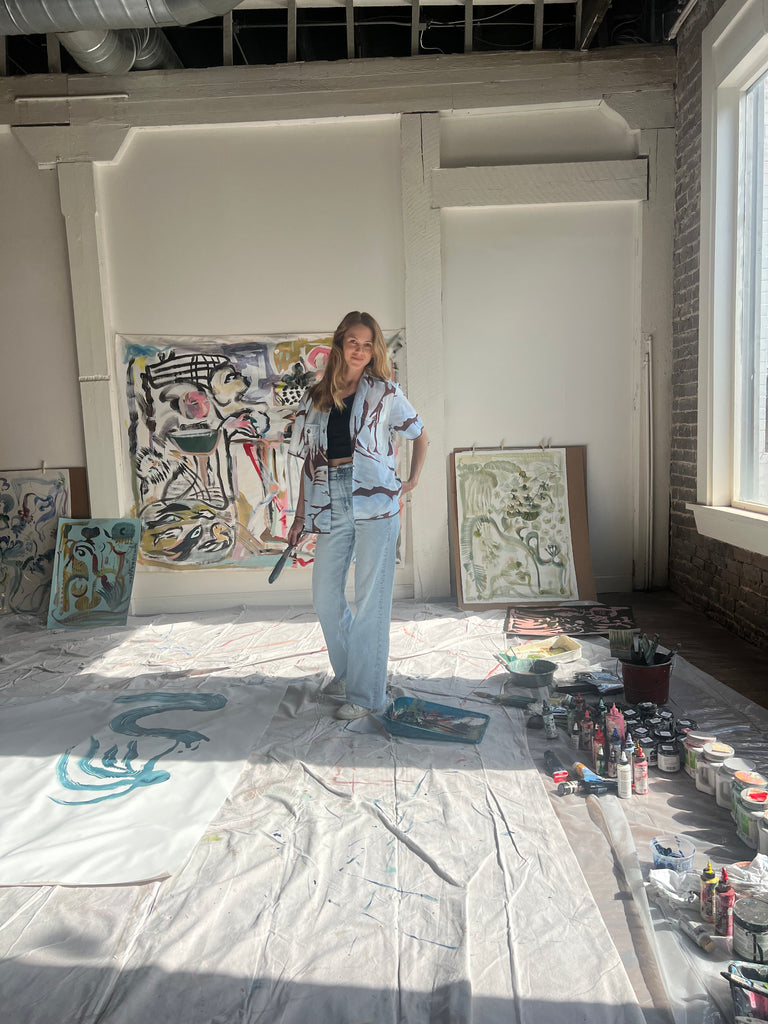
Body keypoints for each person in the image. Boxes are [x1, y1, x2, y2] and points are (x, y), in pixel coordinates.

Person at [287, 311, 428, 720]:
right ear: (339, 344)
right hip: (330, 498)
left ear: (374, 349)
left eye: (368, 344)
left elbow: (420, 435)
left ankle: (367, 695)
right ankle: (351, 673)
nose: (360, 351)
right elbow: (308, 462)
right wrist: (299, 517)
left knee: (370, 601)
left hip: (376, 503)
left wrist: (411, 480)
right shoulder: (317, 396)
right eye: (353, 342)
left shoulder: (385, 392)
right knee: (324, 593)